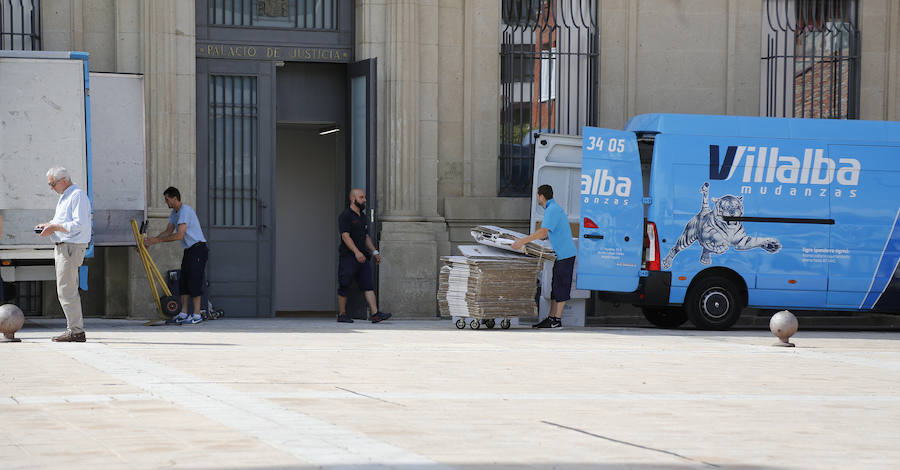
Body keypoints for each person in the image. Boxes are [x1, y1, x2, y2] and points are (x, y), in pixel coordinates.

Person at [37, 167, 92, 342]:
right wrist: (49, 224)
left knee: (67, 290)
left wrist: (55, 227)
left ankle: (76, 331)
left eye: (52, 184)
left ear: (63, 180)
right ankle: (75, 329)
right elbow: (62, 221)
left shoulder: (77, 195)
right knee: (66, 289)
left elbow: (79, 224)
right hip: (64, 246)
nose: (51, 188)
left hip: (71, 247)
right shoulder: (65, 196)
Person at [511, 184, 576, 329]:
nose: (537, 199)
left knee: (561, 288)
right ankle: (551, 318)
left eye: (537, 196)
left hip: (565, 255)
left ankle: (557, 321)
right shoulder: (552, 209)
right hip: (560, 255)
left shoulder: (552, 210)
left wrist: (522, 241)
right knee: (555, 287)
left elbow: (543, 232)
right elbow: (546, 234)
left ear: (541, 196)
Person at [144, 187, 208, 325]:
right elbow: (168, 231)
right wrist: (152, 240)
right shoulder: (175, 213)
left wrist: (157, 240)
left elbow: (179, 235)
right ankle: (183, 313)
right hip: (189, 250)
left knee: (194, 281)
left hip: (198, 249)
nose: (166, 202)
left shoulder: (184, 211)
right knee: (183, 281)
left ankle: (197, 314)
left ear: (174, 198)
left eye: (167, 199)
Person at [337, 188, 391, 324]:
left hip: (362, 257)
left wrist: (374, 252)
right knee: (344, 285)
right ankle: (342, 314)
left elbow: (365, 236)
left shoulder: (362, 216)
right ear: (353, 199)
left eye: (364, 197)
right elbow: (345, 236)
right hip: (348, 257)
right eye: (361, 197)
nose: (365, 200)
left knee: (368, 285)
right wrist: (356, 252)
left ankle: (375, 314)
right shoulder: (345, 216)